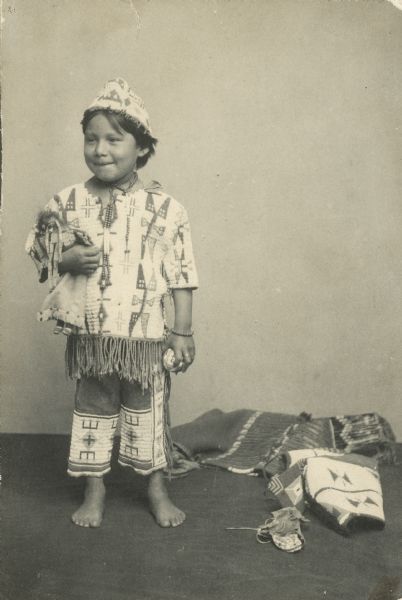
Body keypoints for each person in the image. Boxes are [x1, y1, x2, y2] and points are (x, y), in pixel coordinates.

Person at [26, 78, 198, 528]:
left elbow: (182, 275)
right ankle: (94, 488)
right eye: (91, 139)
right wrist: (67, 257)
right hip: (92, 338)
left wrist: (182, 331)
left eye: (113, 140)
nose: (100, 150)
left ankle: (157, 487)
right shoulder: (67, 202)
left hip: (144, 341)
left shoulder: (166, 209)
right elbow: (40, 249)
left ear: (141, 149)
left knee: (149, 412)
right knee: (93, 411)